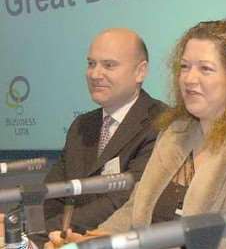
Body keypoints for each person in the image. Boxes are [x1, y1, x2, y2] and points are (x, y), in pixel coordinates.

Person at [47, 19, 226, 249]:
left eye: (205, 69)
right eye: (184, 67)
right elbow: (133, 211)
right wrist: (90, 241)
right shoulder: (175, 132)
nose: (189, 78)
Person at [31, 28, 167, 247]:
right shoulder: (81, 126)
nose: (94, 74)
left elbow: (120, 202)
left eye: (109, 65)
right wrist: (17, 222)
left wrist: (38, 232)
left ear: (140, 72)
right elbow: (54, 192)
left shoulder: (161, 123)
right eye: (91, 63)